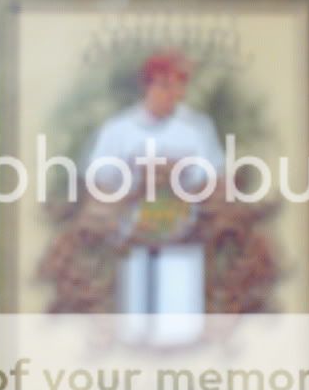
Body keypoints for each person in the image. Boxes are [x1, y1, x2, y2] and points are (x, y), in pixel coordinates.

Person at [84, 51, 224, 345]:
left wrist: (179, 179)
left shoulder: (197, 128)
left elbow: (214, 180)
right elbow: (99, 182)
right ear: (150, 85)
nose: (176, 93)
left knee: (181, 330)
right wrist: (133, 185)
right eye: (167, 85)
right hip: (132, 235)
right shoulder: (118, 130)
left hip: (184, 234)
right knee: (134, 328)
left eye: (180, 85)